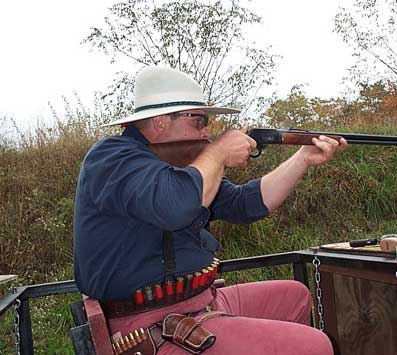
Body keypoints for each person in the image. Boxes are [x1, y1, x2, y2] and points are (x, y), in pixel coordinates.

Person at [73, 66, 347, 355]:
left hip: (199, 302)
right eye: (199, 120)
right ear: (161, 121)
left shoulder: (178, 164)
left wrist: (302, 158)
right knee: (315, 346)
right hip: (153, 326)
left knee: (295, 296)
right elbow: (174, 207)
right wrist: (217, 153)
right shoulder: (112, 158)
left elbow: (245, 204)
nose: (206, 131)